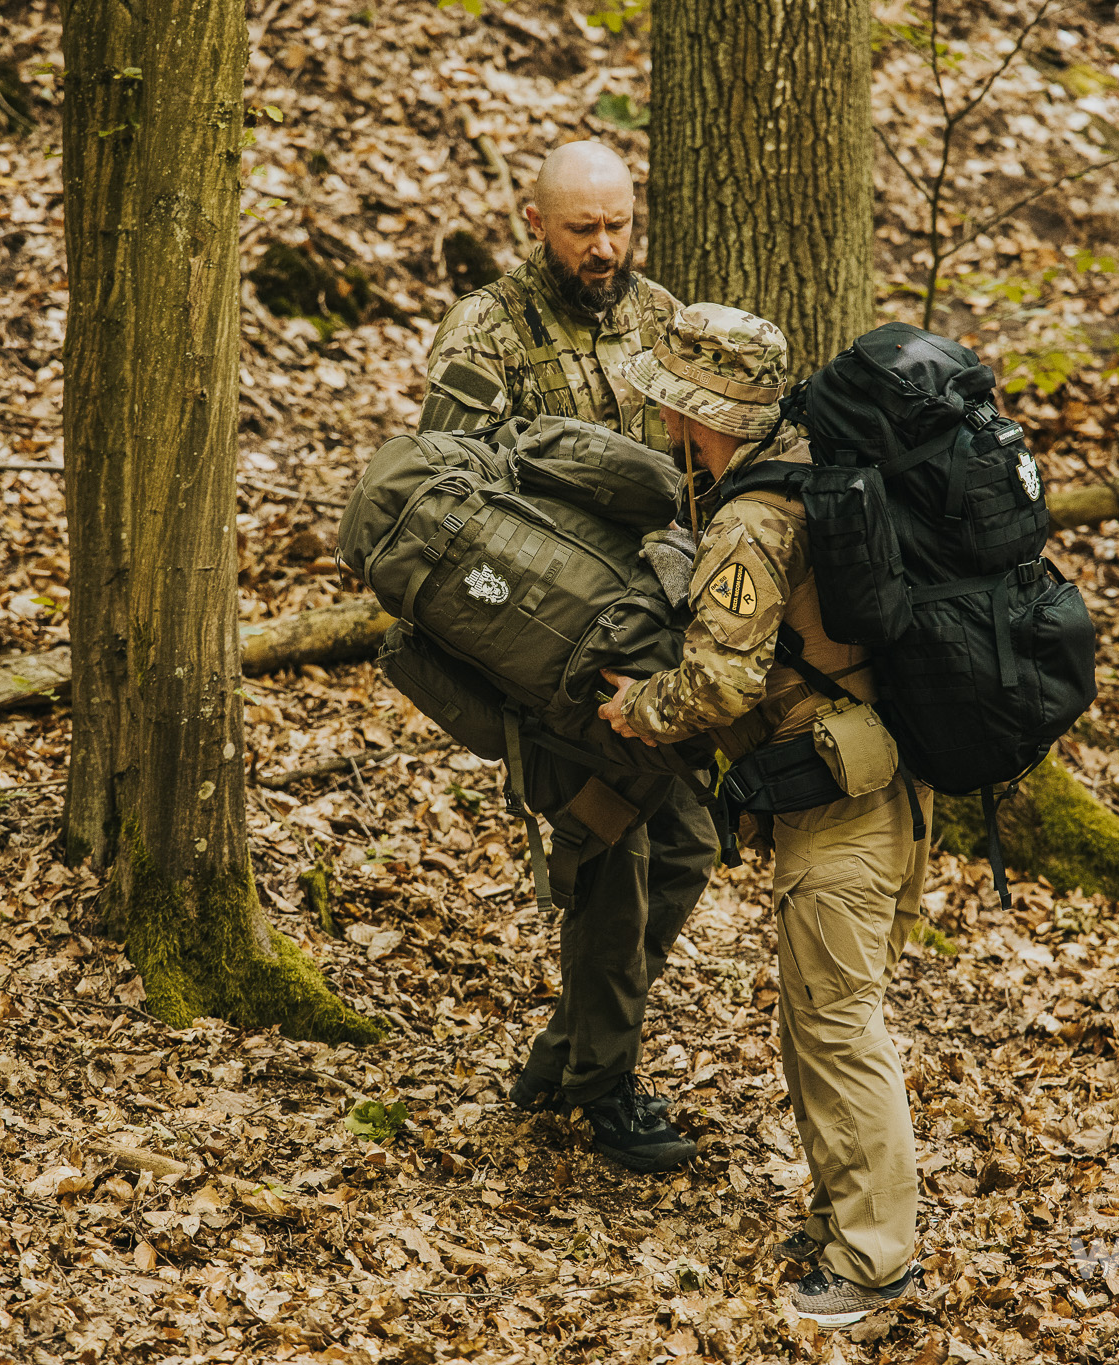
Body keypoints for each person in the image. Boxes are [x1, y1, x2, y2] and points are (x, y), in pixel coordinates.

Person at [597, 303, 929, 1326]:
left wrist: (633, 708)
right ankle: (845, 1229)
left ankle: (874, 1267)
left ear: (703, 414)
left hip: (841, 806)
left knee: (836, 1025)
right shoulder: (813, 460)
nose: (663, 425)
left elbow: (719, 684)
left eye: (673, 407)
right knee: (821, 1017)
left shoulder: (751, 514)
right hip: (879, 781)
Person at [418, 141, 716, 1174]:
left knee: (680, 850)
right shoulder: (487, 332)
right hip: (542, 644)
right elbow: (441, 504)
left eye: (618, 224)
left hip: (645, 635)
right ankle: (601, 1087)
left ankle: (564, 1056)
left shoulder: (654, 313)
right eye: (582, 228)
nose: (604, 247)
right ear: (531, 221)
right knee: (612, 860)